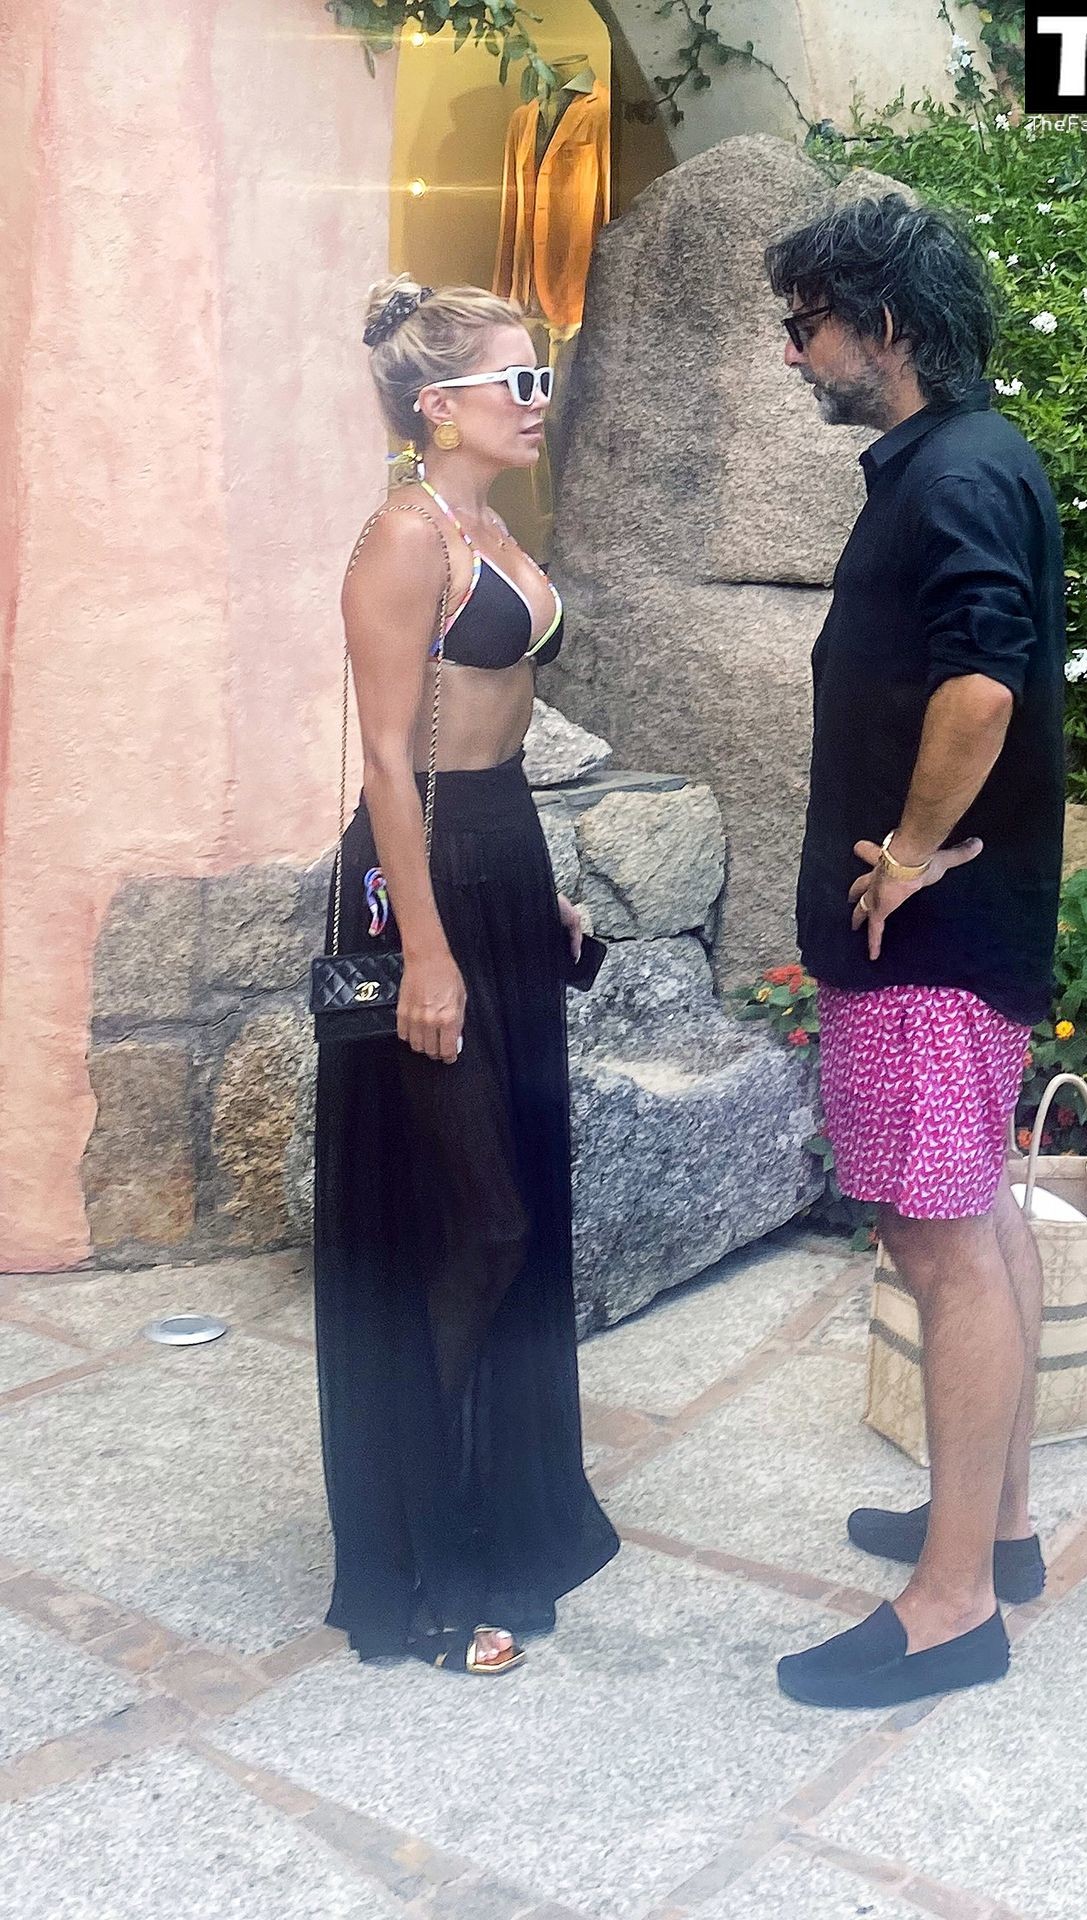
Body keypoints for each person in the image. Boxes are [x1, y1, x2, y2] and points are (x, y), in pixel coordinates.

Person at [765, 196, 1065, 1709]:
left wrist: (905, 850)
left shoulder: (956, 469)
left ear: (884, 327)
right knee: (976, 1219)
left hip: (930, 940)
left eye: (807, 323)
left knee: (942, 1243)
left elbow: (982, 686)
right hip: (949, 938)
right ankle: (995, 1530)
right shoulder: (961, 460)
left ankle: (952, 1608)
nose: (794, 351)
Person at [313, 275, 618, 1677]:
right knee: (475, 1221)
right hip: (410, 885)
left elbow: (489, 733)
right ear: (439, 406)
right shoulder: (404, 536)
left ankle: (502, 1514)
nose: (538, 401)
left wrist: (532, 889)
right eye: (518, 379)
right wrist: (425, 953)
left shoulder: (493, 531)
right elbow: (389, 759)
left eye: (541, 377)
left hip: (498, 855)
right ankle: (422, 1560)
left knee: (514, 1208)